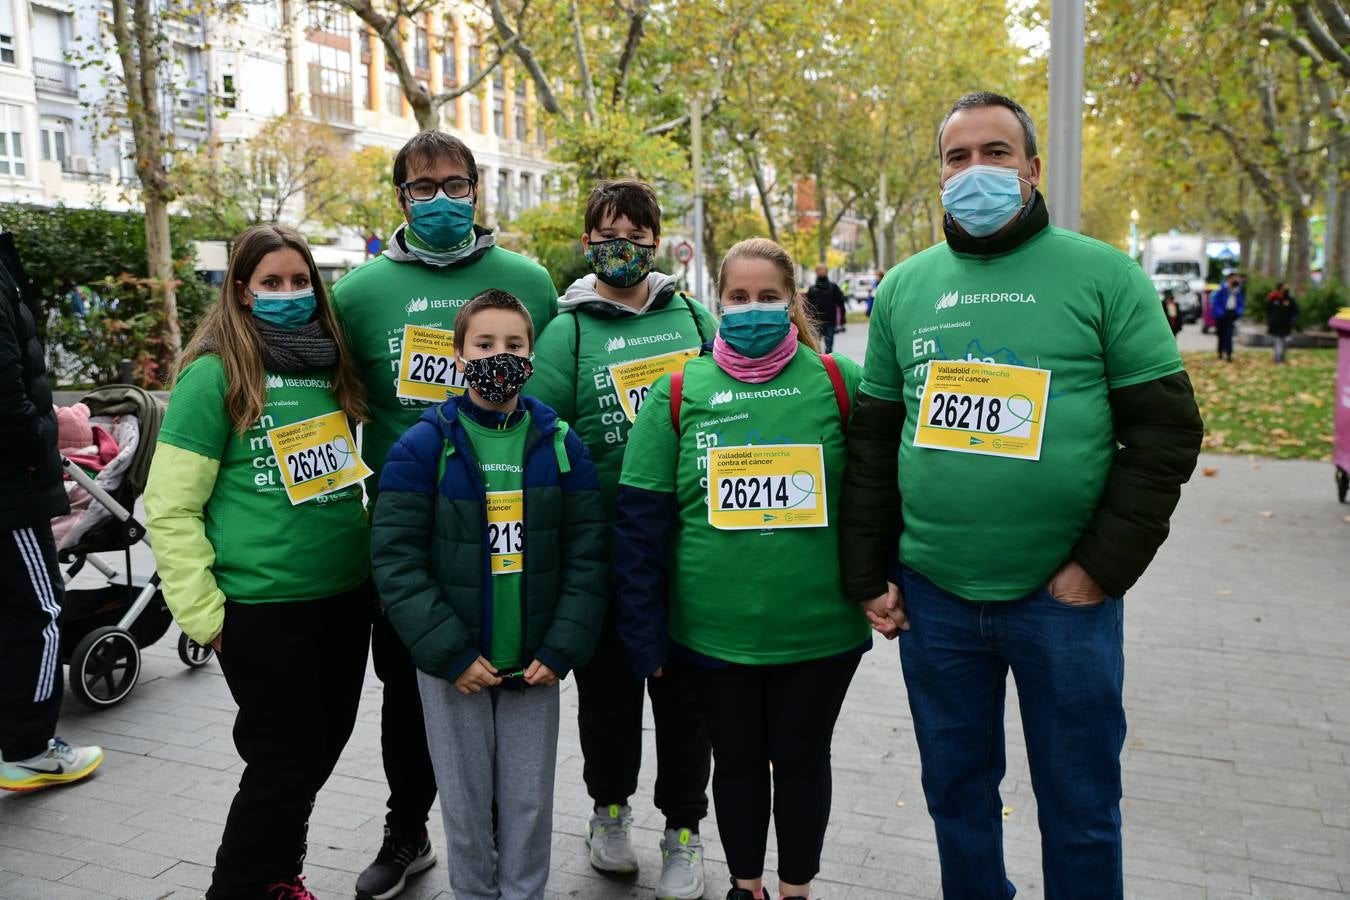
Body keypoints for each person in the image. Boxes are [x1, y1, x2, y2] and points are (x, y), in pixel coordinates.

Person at [839, 92, 1203, 899]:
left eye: (995, 153)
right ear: (938, 175)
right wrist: (868, 571)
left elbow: (1167, 434)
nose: (976, 171)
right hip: (935, 600)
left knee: (1080, 805)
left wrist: (1099, 568)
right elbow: (871, 446)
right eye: (957, 157)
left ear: (1032, 170)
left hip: (1063, 602)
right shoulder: (904, 288)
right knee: (956, 797)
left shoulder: (1104, 275)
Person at [615, 238, 886, 900]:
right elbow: (640, 525)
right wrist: (644, 634)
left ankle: (795, 889)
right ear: (718, 303)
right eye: (739, 298)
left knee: (801, 761)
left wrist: (884, 582)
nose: (753, 309)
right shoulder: (678, 392)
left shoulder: (836, 382)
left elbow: (879, 496)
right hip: (710, 636)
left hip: (820, 632)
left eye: (768, 297)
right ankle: (747, 886)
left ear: (792, 302)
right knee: (734, 764)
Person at [330, 130, 558, 900]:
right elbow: (334, 402)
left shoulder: (527, 279)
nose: (440, 200)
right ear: (400, 197)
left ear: (476, 191)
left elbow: (554, 394)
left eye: (455, 185)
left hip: (516, 533)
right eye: (423, 188)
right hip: (417, 541)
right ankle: (407, 831)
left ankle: (500, 849)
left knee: (512, 693)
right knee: (409, 694)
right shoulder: (359, 293)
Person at [144, 224, 374, 900]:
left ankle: (281, 876)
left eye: (300, 281)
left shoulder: (327, 363)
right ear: (241, 292)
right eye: (271, 283)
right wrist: (203, 615)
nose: (289, 293)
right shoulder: (216, 373)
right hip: (261, 612)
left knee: (320, 751)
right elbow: (170, 506)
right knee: (281, 763)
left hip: (343, 598)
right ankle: (239, 887)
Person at [371, 289, 607, 900]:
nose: (498, 356)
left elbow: (588, 556)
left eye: (513, 345)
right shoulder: (421, 448)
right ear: (458, 354)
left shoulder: (563, 447)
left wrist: (562, 649)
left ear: (531, 356)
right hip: (454, 666)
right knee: (465, 804)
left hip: (535, 664)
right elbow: (396, 559)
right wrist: (447, 652)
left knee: (529, 803)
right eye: (484, 344)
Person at [528, 180, 715, 898]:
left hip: (687, 549)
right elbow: (544, 438)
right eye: (610, 235)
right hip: (604, 554)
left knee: (685, 699)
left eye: (638, 236)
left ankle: (684, 830)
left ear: (657, 241)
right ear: (588, 244)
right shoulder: (566, 331)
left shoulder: (694, 319)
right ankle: (609, 813)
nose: (625, 247)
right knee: (607, 695)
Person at [0, 227, 105, 793]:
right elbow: (7, 398)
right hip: (10, 488)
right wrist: (45, 448)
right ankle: (30, 749)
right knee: (40, 612)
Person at [804, 264, 846, 352]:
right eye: (819, 270)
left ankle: (828, 364)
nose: (821, 271)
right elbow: (807, 306)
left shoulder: (833, 287)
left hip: (830, 321)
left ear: (826, 271)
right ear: (816, 272)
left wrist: (842, 319)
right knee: (815, 348)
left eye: (823, 270)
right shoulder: (812, 289)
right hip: (816, 322)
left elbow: (841, 303)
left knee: (829, 348)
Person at [1210, 273, 1245, 361]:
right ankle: (1220, 353)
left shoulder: (1237, 290)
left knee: (1229, 335)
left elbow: (1240, 303)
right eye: (1233, 279)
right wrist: (1220, 313)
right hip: (1221, 315)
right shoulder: (1222, 289)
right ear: (1229, 279)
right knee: (1221, 335)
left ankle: (1229, 354)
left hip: (1231, 314)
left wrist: (1238, 313)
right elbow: (1215, 302)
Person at [1266, 282, 1298, 363]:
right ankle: (1278, 357)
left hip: (1286, 326)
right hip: (1275, 325)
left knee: (1286, 341)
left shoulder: (1290, 300)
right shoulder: (1273, 299)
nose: (1286, 289)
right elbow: (1268, 310)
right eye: (1284, 287)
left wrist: (1293, 320)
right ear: (1280, 289)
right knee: (1277, 341)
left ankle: (1281, 355)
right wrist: (1270, 320)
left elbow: (1295, 311)